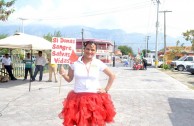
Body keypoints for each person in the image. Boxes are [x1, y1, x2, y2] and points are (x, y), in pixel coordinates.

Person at [58, 41, 116, 126]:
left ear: (96, 51)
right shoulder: (74, 62)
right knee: (80, 123)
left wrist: (106, 89)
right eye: (87, 49)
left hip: (95, 99)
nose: (90, 52)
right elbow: (69, 79)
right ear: (84, 49)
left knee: (94, 123)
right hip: (78, 99)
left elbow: (112, 75)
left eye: (92, 50)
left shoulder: (98, 63)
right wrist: (63, 74)